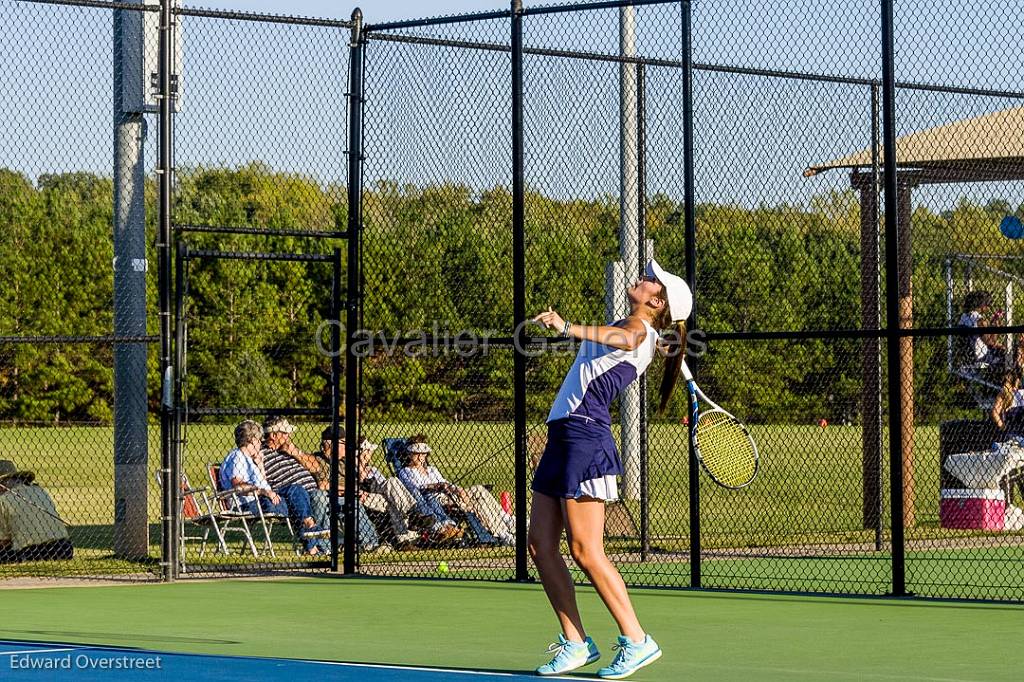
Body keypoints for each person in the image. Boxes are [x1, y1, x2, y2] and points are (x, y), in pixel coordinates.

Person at [526, 258, 690, 678]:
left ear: (658, 302)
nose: (645, 277)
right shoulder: (637, 328)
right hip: (562, 435)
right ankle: (575, 642)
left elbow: (623, 338)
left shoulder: (638, 331)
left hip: (586, 439)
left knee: (585, 549)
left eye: (653, 281)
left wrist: (567, 328)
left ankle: (637, 640)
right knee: (540, 545)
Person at [260, 417, 379, 552]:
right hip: (297, 494)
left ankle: (371, 544)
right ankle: (324, 547)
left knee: (352, 502)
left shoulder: (289, 449)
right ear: (274, 435)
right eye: (286, 433)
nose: (289, 436)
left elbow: (311, 464)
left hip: (319, 492)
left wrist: (294, 451)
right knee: (320, 496)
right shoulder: (259, 452)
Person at [219, 420, 327, 556]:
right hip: (250, 503)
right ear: (252, 440)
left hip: (260, 500)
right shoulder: (238, 457)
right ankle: (311, 530)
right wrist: (265, 491)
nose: (261, 443)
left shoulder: (248, 458)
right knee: (297, 499)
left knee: (297, 493)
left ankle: (311, 536)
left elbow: (262, 481)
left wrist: (260, 465)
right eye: (259, 440)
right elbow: (238, 485)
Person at [397, 435, 503, 545]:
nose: (420, 457)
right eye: (416, 453)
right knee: (477, 502)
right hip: (435, 498)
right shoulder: (406, 471)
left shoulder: (432, 469)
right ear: (409, 454)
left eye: (423, 453)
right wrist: (440, 486)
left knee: (480, 491)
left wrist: (458, 490)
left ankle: (505, 522)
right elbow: (418, 487)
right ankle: (500, 533)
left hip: (449, 494)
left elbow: (445, 482)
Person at [0, 460, 73, 563]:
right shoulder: (40, 491)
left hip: (30, 552)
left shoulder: (3, 500)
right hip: (64, 548)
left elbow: (4, 542)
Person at [989, 368, 1024, 505]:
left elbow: (994, 412)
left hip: (1012, 436)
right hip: (1019, 436)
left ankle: (1008, 502)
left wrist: (1003, 426)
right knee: (1019, 471)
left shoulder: (1006, 393)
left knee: (1010, 471)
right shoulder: (1012, 392)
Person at [959, 290, 1006, 369]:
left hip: (967, 358)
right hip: (982, 357)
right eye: (988, 304)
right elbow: (991, 344)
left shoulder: (963, 316)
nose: (989, 307)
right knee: (1010, 357)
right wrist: (996, 327)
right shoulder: (980, 321)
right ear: (982, 305)